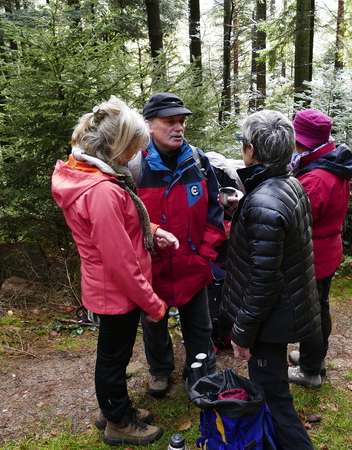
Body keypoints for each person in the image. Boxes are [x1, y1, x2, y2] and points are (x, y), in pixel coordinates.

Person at [50, 97, 179, 446]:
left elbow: (124, 227)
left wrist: (153, 232)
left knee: (114, 354)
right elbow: (121, 261)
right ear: (114, 147)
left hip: (112, 287)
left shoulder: (92, 176)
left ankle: (114, 408)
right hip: (116, 291)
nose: (134, 156)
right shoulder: (101, 192)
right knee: (113, 359)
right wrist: (153, 304)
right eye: (132, 149)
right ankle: (117, 420)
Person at [221, 109, 320, 449]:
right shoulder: (287, 183)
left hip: (270, 317)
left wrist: (243, 334)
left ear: (251, 150)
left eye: (242, 143)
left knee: (272, 392)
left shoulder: (265, 200)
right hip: (284, 311)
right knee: (273, 381)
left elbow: (263, 280)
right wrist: (243, 211)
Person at [129, 93, 227, 396]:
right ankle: (160, 371)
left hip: (191, 266)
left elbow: (215, 211)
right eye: (169, 121)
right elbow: (126, 220)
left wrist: (204, 254)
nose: (178, 127)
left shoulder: (197, 162)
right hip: (151, 269)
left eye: (181, 121)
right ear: (149, 125)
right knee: (153, 325)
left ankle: (201, 372)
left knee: (200, 327)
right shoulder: (133, 167)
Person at [287, 109, 352, 388]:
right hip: (327, 249)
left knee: (313, 311)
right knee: (318, 307)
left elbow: (299, 219)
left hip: (315, 254)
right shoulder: (331, 163)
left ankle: (310, 371)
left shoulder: (316, 178)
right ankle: (313, 358)